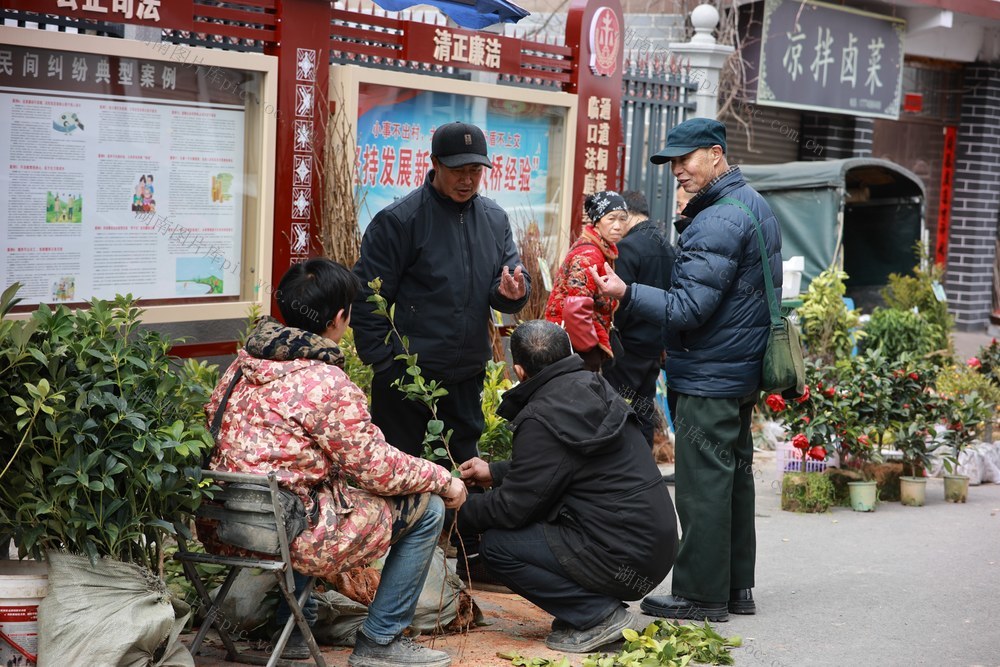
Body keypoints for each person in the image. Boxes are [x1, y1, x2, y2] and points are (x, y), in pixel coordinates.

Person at [205, 258, 467, 666]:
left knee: (307, 492)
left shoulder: (238, 368)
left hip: (223, 527)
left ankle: (294, 630)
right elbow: (376, 468)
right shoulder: (326, 382)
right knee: (429, 508)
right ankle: (380, 642)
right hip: (286, 532)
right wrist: (443, 479)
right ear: (340, 318)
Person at [589, 117, 782, 623]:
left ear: (716, 154)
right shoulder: (751, 205)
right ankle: (736, 587)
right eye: (672, 162)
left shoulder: (717, 218)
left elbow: (688, 308)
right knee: (734, 480)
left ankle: (701, 594)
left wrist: (625, 292)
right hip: (738, 370)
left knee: (703, 487)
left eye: (686, 159)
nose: (677, 171)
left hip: (709, 372)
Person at [351, 121, 530, 586]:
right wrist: (386, 364)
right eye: (457, 169)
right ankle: (391, 569)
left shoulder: (494, 218)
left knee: (463, 463)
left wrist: (512, 291)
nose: (467, 178)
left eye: (475, 168)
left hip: (466, 369)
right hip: (407, 377)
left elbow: (509, 284)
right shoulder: (400, 220)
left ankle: (466, 557)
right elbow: (368, 299)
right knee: (402, 467)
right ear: (434, 165)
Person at [457, 320, 678, 653]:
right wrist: (496, 471)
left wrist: (457, 508)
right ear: (569, 353)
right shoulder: (594, 386)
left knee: (498, 546)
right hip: (655, 547)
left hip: (623, 555)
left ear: (519, 370)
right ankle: (591, 605)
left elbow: (512, 509)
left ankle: (598, 615)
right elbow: (565, 464)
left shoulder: (540, 416)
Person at [601, 190, 675, 447]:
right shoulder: (666, 245)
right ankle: (645, 472)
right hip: (654, 346)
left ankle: (621, 471)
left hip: (628, 347)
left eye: (619, 218)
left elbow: (618, 302)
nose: (616, 225)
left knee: (616, 410)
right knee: (644, 409)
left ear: (628, 214)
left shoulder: (627, 247)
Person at [543, 190, 627, 371]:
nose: (618, 225)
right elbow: (575, 308)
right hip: (574, 347)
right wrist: (590, 351)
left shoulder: (600, 249)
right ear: (596, 221)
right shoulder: (589, 254)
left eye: (622, 218)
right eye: (611, 218)